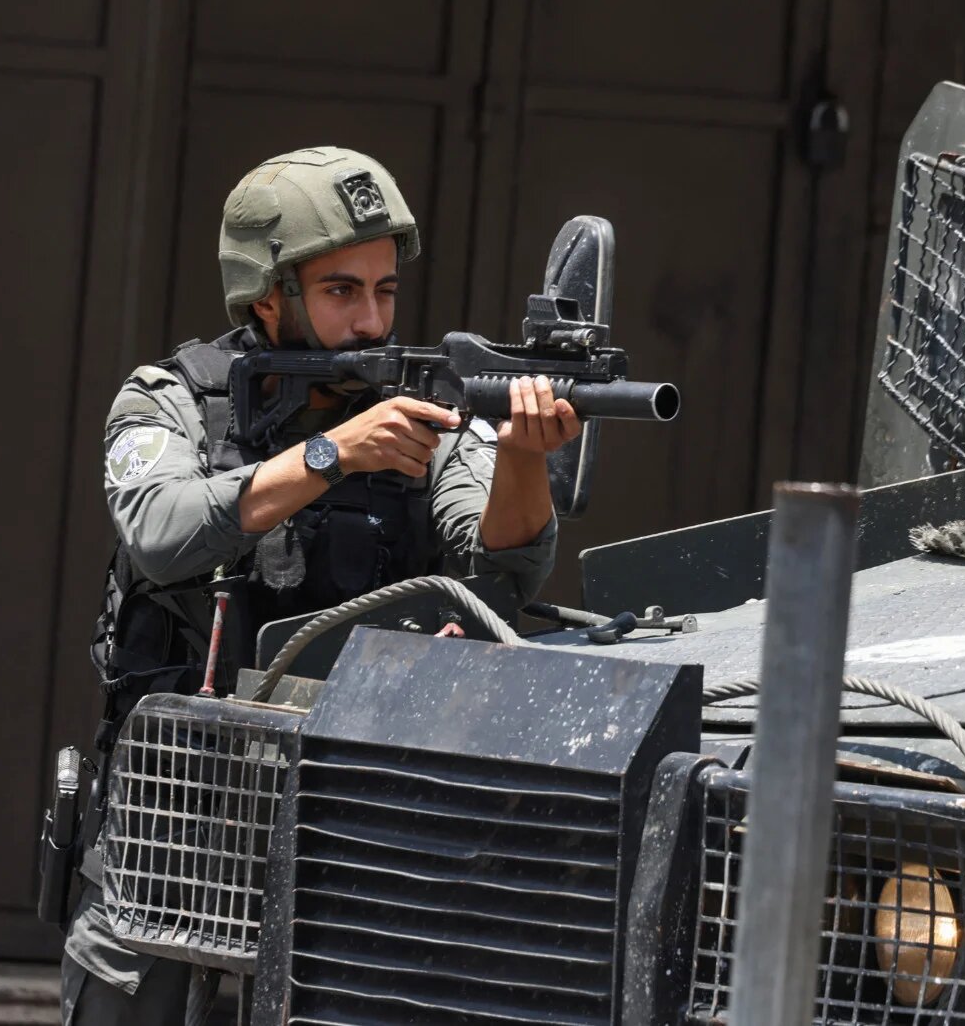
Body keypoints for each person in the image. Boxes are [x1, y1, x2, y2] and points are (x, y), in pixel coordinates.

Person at [60, 146, 580, 1024]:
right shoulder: (172, 401)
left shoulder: (426, 415)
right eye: (343, 292)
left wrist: (524, 460)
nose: (373, 320)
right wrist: (332, 455)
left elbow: (505, 569)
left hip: (355, 840)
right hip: (172, 834)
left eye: (385, 291)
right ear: (268, 295)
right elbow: (160, 533)